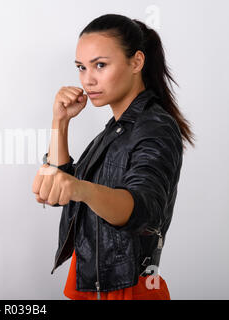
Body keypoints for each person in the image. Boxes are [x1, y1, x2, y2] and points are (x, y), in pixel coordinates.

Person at [32, 13, 196, 300]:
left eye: (100, 65)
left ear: (136, 62)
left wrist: (80, 188)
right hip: (93, 279)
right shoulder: (117, 130)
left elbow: (143, 210)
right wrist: (60, 122)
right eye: (81, 68)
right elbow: (68, 193)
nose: (88, 79)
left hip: (125, 288)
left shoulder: (155, 127)